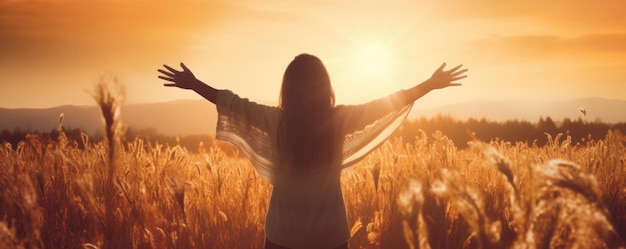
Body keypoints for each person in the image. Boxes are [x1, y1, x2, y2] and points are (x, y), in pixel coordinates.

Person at [158, 54, 467, 249]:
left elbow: (229, 101)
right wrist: (429, 84)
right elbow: (391, 102)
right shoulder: (340, 119)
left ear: (287, 89)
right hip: (330, 237)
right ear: (324, 87)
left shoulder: (275, 121)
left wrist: (194, 83)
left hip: (282, 236)